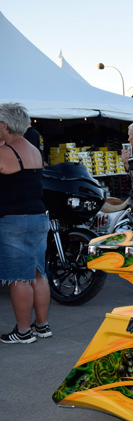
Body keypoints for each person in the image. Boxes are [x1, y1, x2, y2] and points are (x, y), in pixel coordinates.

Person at [0, 103, 51, 344]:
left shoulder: (4, 152)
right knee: (38, 274)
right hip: (39, 216)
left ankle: (23, 332)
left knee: (19, 278)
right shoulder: (33, 149)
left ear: (5, 125)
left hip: (14, 219)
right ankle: (42, 325)